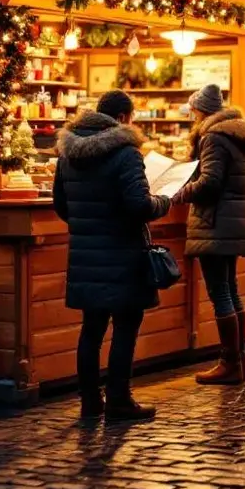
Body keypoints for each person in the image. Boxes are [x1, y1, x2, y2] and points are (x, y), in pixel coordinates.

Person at [55, 93, 171, 420]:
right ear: (122, 118)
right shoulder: (126, 153)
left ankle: (90, 402)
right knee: (125, 327)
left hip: (84, 255)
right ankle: (119, 399)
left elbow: (61, 204)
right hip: (123, 253)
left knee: (91, 329)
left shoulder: (67, 152)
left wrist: (86, 226)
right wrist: (164, 201)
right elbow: (139, 205)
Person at [173, 84, 245, 386]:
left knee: (221, 292)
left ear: (201, 111)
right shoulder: (242, 135)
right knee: (231, 289)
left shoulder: (212, 136)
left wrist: (179, 192)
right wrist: (238, 201)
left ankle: (230, 364)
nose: (193, 119)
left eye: (194, 113)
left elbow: (210, 183)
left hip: (213, 223)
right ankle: (239, 362)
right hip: (232, 223)